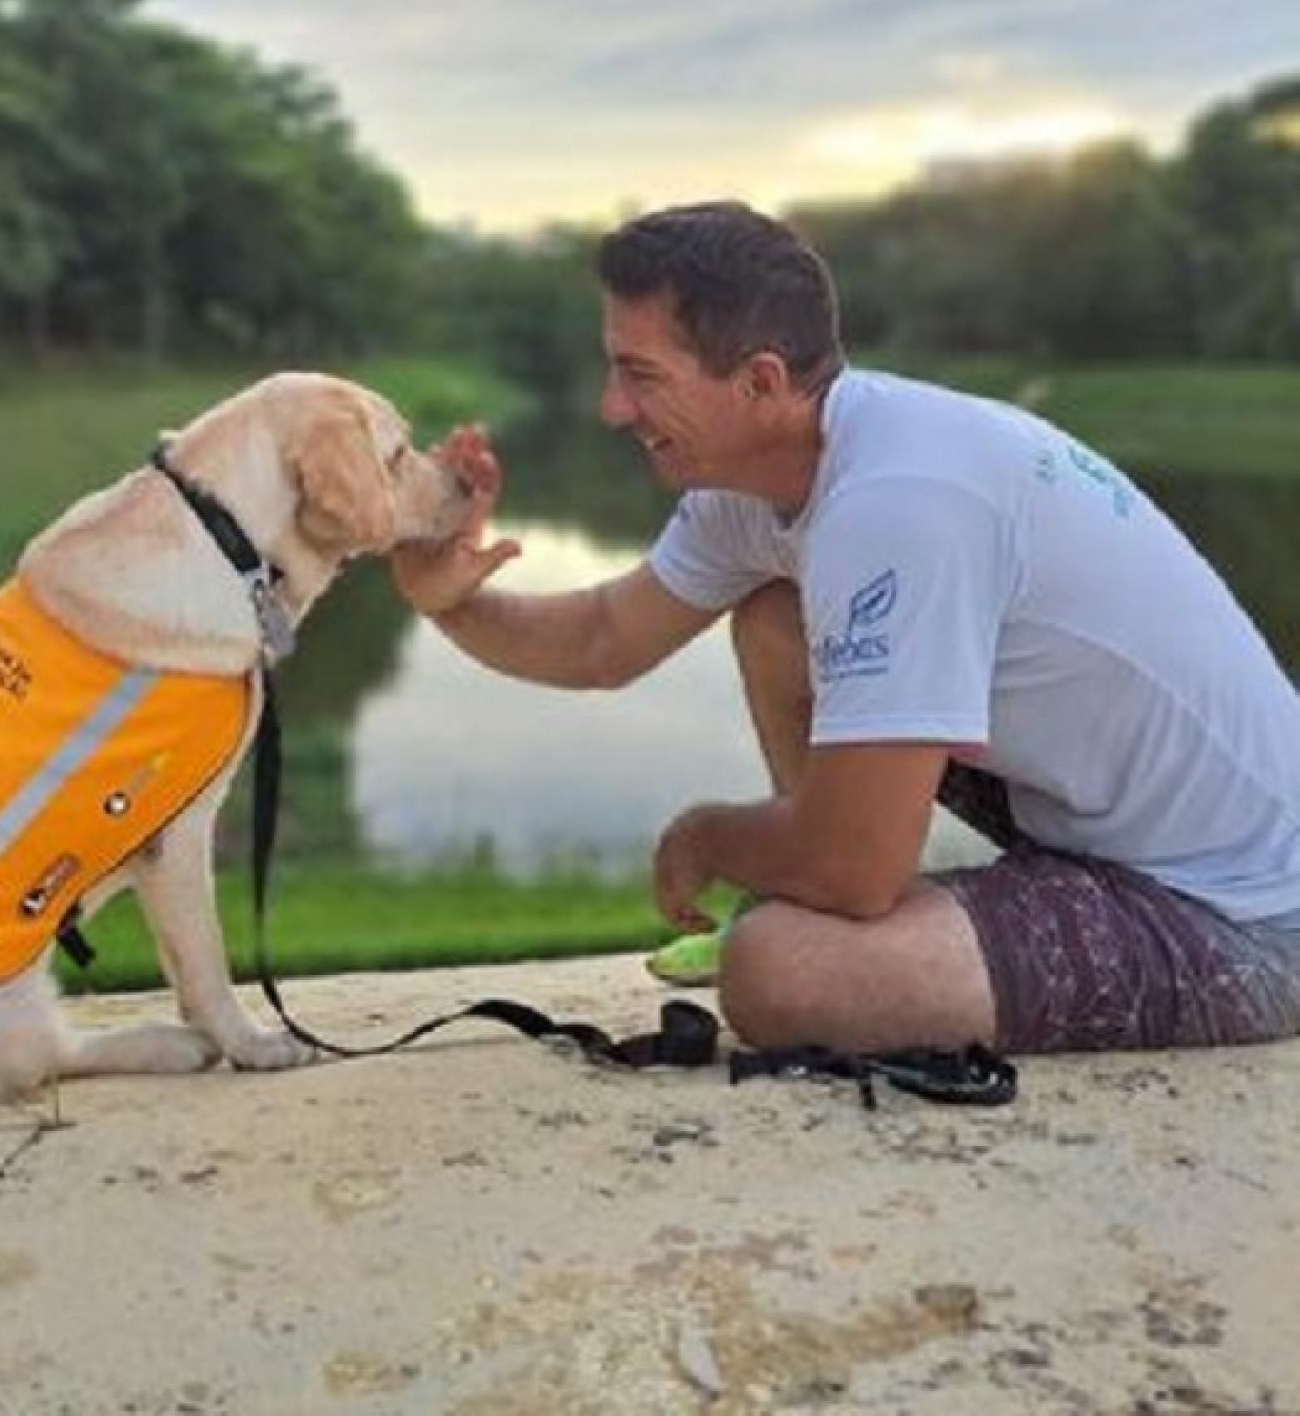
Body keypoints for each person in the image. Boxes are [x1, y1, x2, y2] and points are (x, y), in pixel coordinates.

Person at [397, 202, 1300, 1055]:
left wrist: (709, 836)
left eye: (640, 376)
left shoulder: (896, 502)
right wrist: (449, 597)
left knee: (777, 967)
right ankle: (860, 912)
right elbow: (604, 637)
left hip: (1246, 916)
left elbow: (856, 865)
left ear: (759, 381)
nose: (610, 408)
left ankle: (850, 922)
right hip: (1104, 821)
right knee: (774, 615)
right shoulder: (767, 473)